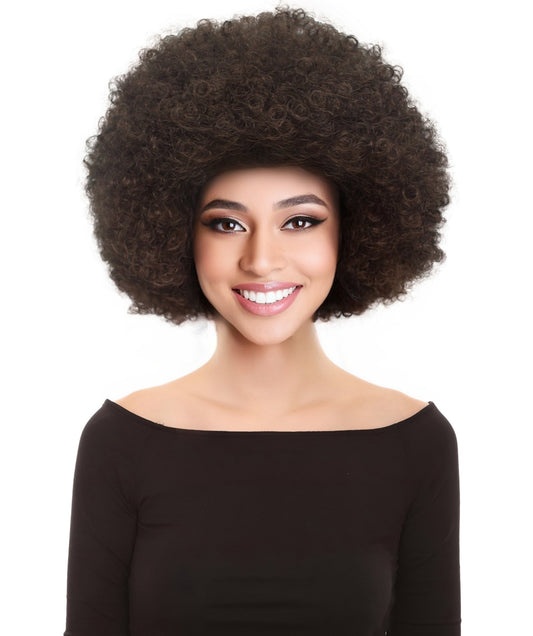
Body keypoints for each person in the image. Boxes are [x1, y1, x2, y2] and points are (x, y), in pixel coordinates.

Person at [63, 7, 461, 635]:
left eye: (300, 221)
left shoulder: (414, 441)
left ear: (352, 231)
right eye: (226, 223)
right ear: (177, 235)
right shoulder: (123, 441)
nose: (261, 259)